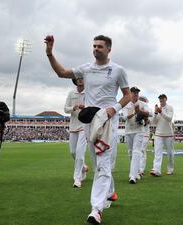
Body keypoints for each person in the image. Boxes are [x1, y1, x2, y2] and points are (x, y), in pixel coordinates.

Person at [44, 34, 131, 225]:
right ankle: (110, 192)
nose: (96, 49)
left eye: (100, 46)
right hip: (89, 121)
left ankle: (96, 209)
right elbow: (62, 73)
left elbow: (127, 95)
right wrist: (50, 53)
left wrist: (112, 109)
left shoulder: (118, 70)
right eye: (94, 46)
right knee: (97, 160)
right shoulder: (86, 69)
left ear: (109, 49)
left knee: (102, 161)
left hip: (107, 121)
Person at [122, 87, 152, 184]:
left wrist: (140, 112)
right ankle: (136, 172)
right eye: (134, 92)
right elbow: (124, 117)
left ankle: (132, 176)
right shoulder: (126, 104)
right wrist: (135, 112)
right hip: (128, 130)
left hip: (139, 130)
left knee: (136, 151)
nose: (136, 94)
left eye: (137, 93)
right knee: (130, 152)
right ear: (130, 94)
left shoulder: (143, 104)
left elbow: (150, 113)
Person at [64, 77, 88, 188]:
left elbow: (93, 107)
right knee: (73, 152)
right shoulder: (71, 93)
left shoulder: (88, 93)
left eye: (81, 78)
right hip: (73, 125)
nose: (80, 80)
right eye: (77, 78)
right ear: (75, 81)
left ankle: (77, 179)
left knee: (79, 152)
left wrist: (85, 108)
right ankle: (83, 167)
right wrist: (73, 108)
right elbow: (65, 109)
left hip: (84, 125)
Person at [150, 94, 175, 177]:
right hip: (158, 134)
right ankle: (156, 170)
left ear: (166, 99)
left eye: (162, 99)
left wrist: (161, 112)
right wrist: (155, 112)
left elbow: (169, 118)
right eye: (160, 99)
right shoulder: (158, 109)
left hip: (168, 134)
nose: (161, 101)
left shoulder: (170, 107)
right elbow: (153, 122)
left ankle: (170, 169)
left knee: (170, 153)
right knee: (157, 153)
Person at [138, 95, 152, 177]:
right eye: (140, 100)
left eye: (143, 100)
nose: (141, 101)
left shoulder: (148, 109)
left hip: (145, 133)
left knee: (142, 150)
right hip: (137, 132)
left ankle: (141, 169)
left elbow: (151, 118)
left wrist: (147, 120)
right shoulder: (135, 108)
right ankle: (137, 168)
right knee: (136, 150)